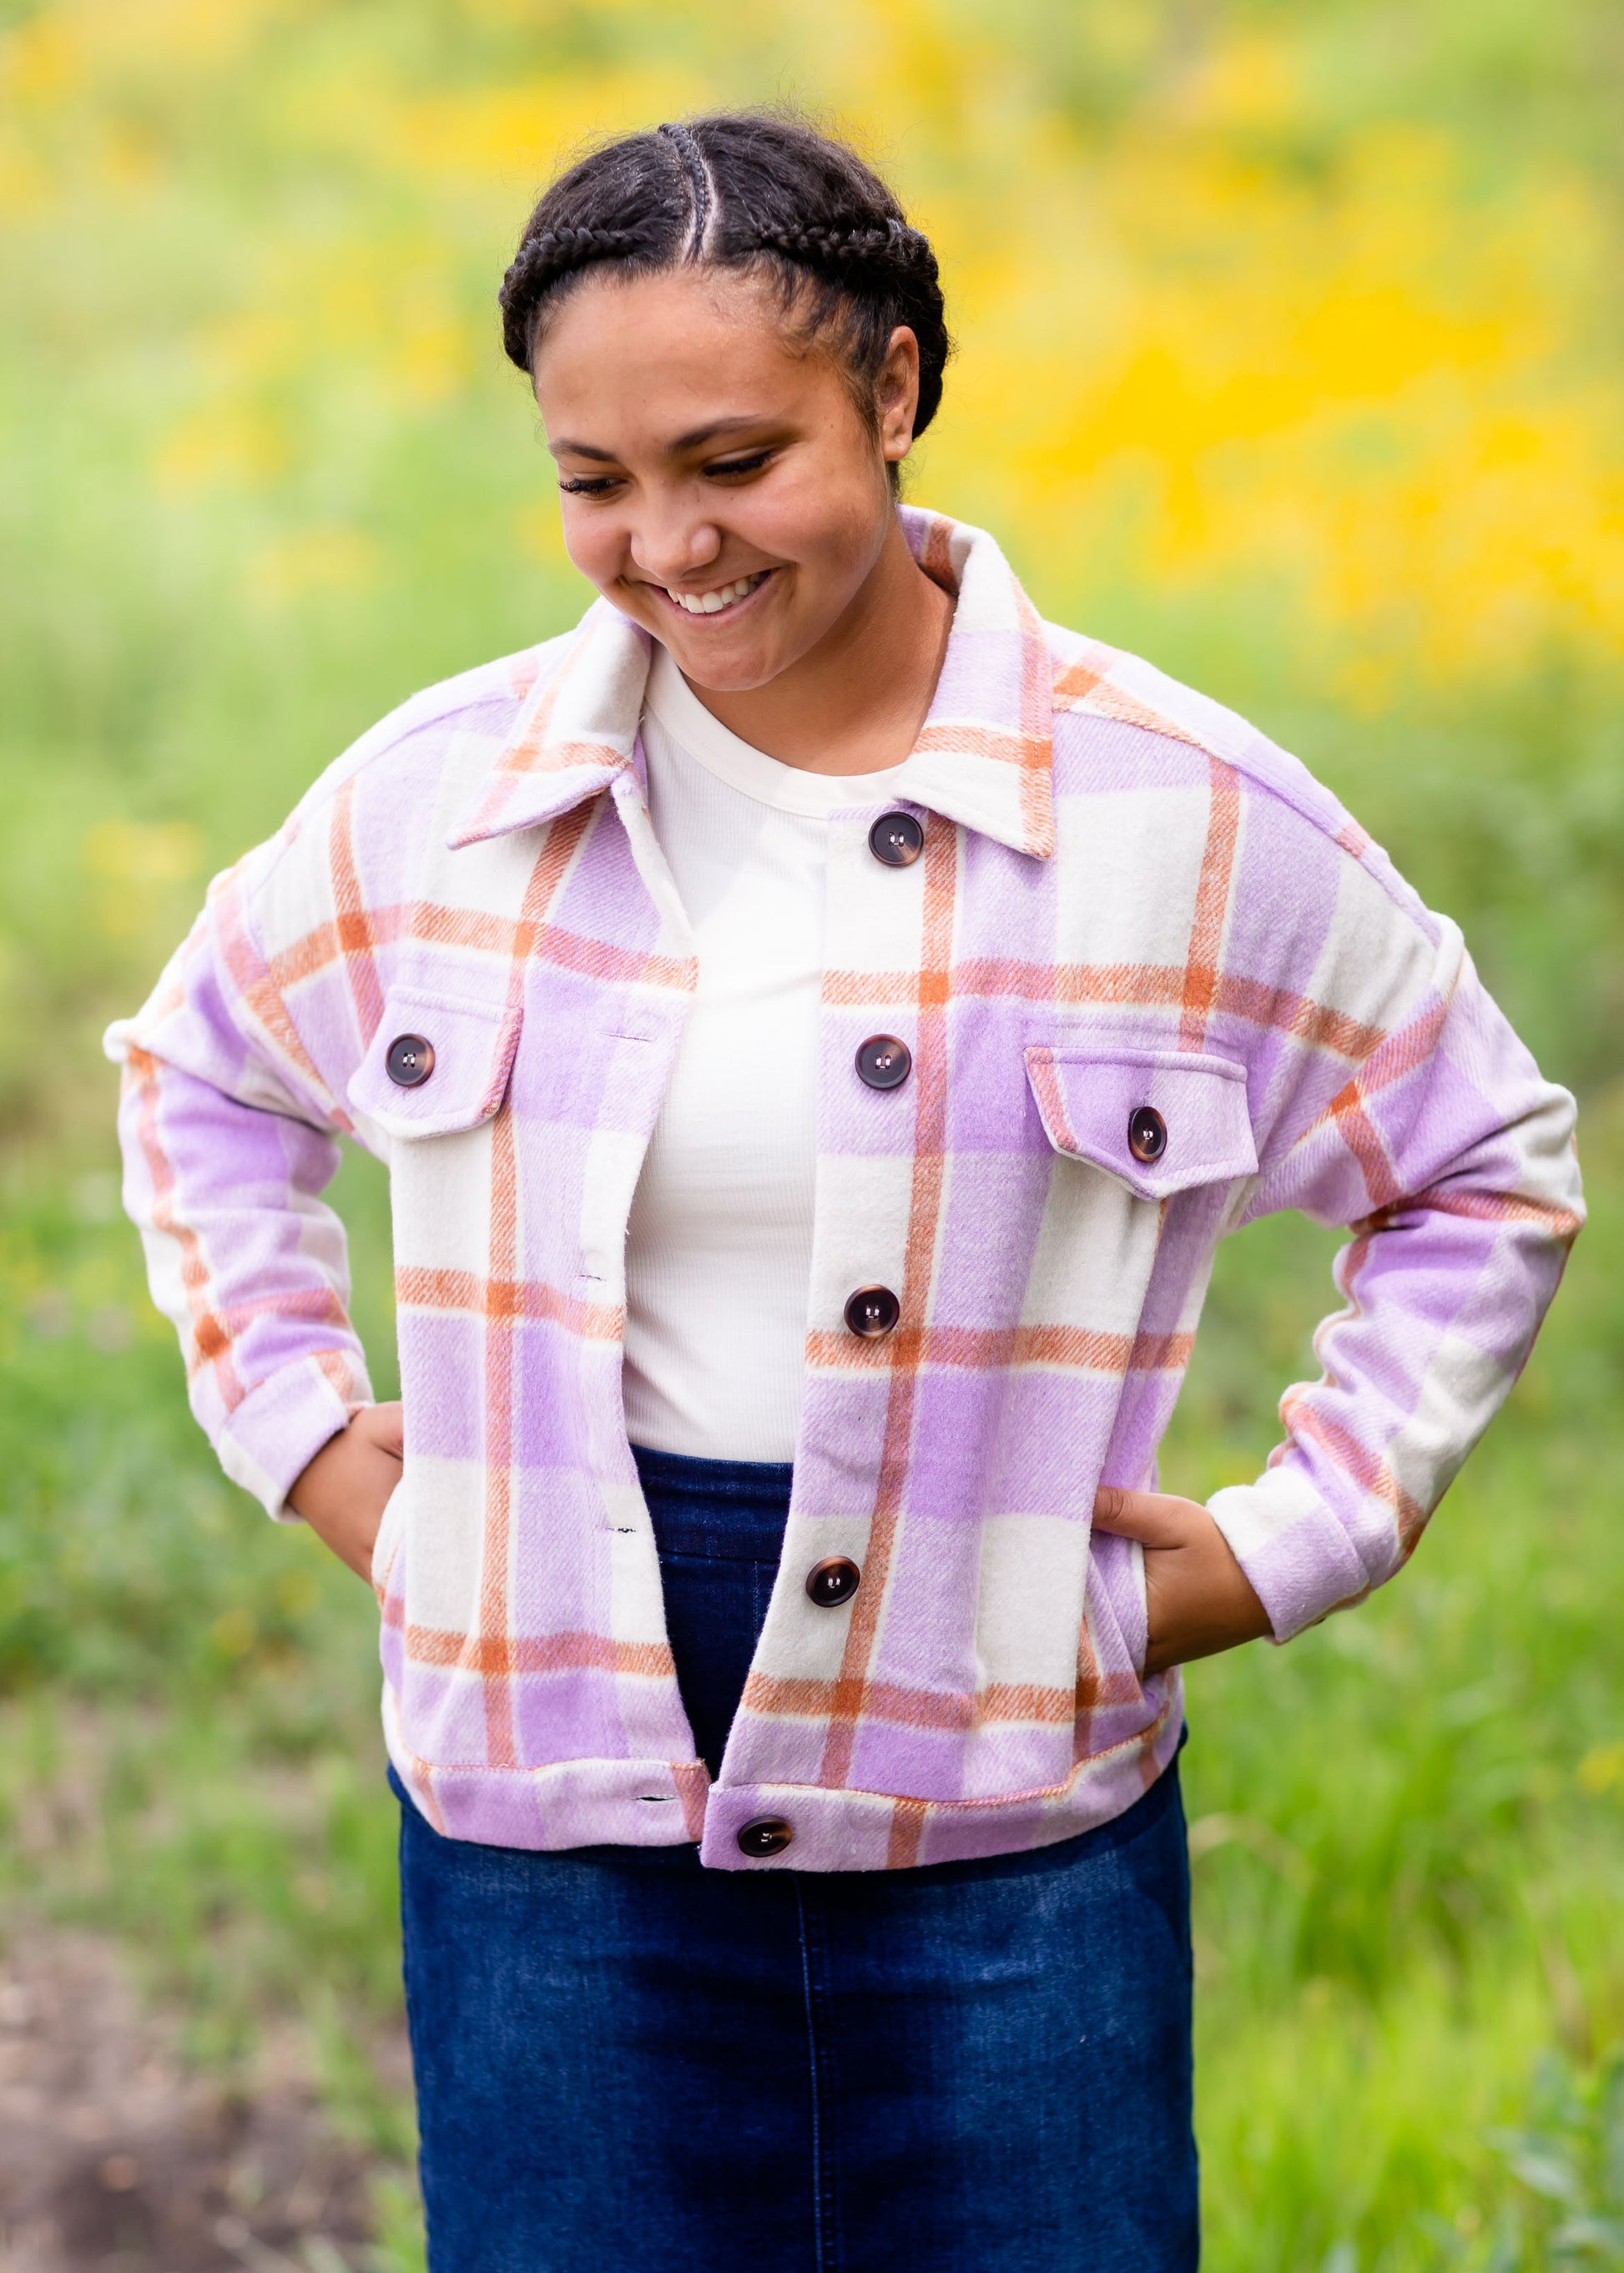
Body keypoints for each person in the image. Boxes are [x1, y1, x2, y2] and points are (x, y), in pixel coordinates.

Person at [108, 109, 1582, 2272]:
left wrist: (1286, 1539)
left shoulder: (1171, 816)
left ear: (892, 390)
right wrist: (326, 1458)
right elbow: (201, 1075)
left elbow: (1479, 1161)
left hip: (997, 1759)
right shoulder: (437, 805)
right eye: (593, 485)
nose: (666, 544)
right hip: (547, 1770)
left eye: (731, 461)